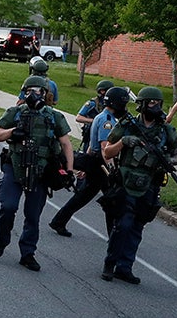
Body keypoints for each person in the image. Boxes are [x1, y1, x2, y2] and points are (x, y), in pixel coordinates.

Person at [0, 75, 74, 271]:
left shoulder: (54, 116)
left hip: (41, 171)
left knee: (33, 215)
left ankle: (28, 253)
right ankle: (2, 240)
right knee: (8, 207)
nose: (33, 94)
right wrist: (12, 132)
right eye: (29, 91)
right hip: (15, 166)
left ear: (45, 94)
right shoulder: (16, 113)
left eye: (38, 91)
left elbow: (66, 143)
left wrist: (69, 170)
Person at [99, 86, 177, 284]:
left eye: (158, 103)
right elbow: (107, 152)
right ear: (142, 105)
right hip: (126, 182)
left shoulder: (165, 130)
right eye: (151, 103)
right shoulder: (127, 125)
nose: (155, 107)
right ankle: (110, 264)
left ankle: (125, 267)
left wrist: (168, 160)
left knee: (137, 227)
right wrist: (124, 142)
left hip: (150, 184)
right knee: (123, 225)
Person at [49, 86, 130, 237]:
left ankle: (59, 221)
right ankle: (114, 235)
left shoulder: (101, 117)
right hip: (102, 166)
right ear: (117, 103)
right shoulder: (108, 121)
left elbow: (92, 145)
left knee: (84, 196)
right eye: (124, 104)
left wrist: (85, 166)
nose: (125, 108)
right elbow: (104, 148)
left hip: (94, 163)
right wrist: (113, 171)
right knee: (111, 199)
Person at [75, 80, 114, 151]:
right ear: (102, 91)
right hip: (91, 133)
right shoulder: (92, 103)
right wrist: (94, 121)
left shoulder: (111, 104)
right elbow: (78, 117)